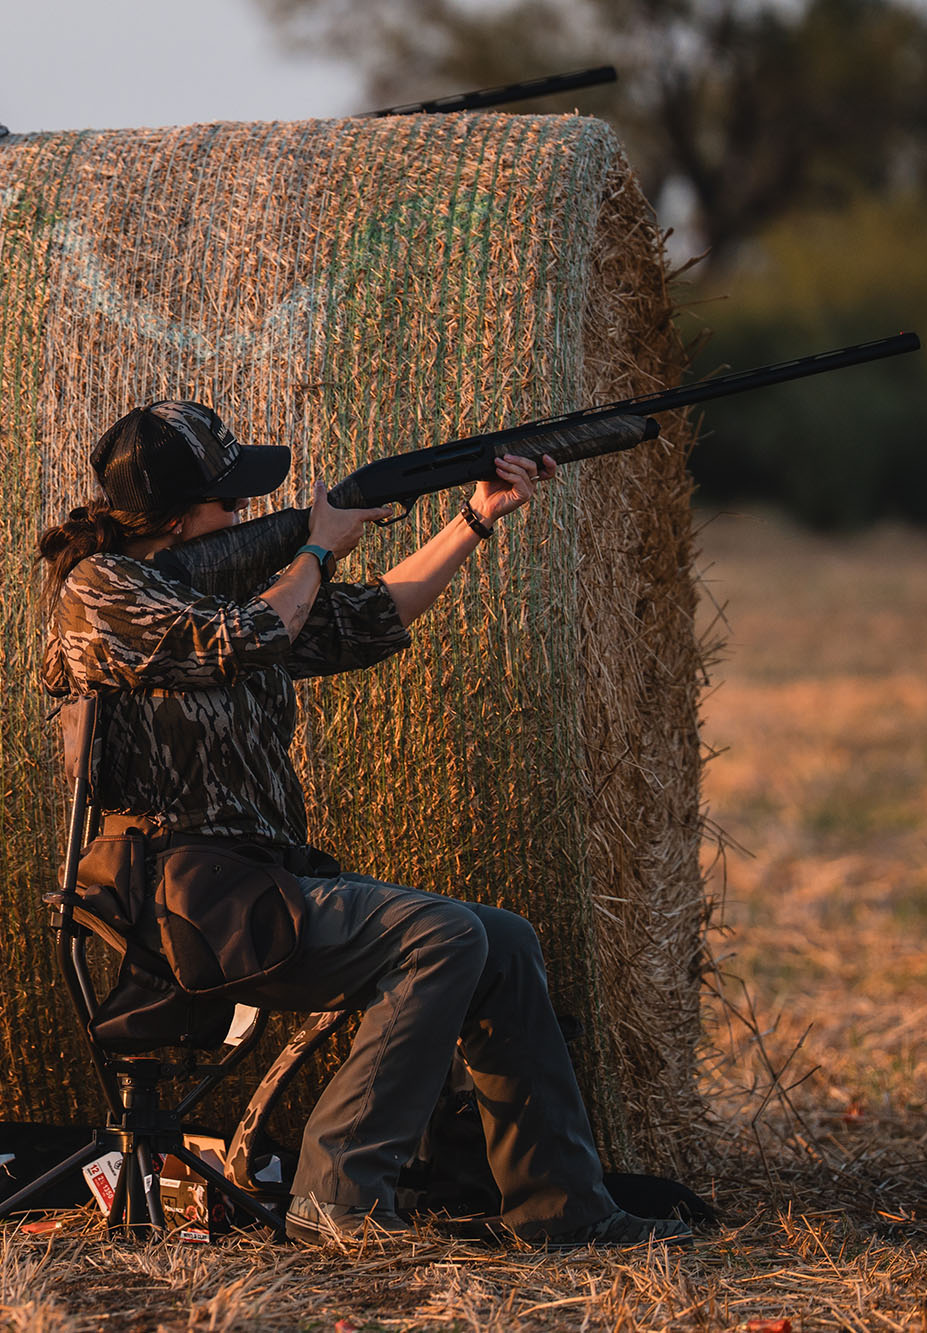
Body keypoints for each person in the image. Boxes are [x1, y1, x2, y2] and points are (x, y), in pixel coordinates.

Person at [37, 399, 691, 1249]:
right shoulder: (104, 592)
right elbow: (255, 635)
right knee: (443, 934)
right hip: (177, 894)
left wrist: (472, 518)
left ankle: (564, 1210)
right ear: (173, 518)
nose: (242, 517)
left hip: (254, 883)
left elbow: (365, 620)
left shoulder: (222, 584)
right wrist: (313, 544)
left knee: (502, 938)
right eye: (229, 503)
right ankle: (338, 1202)